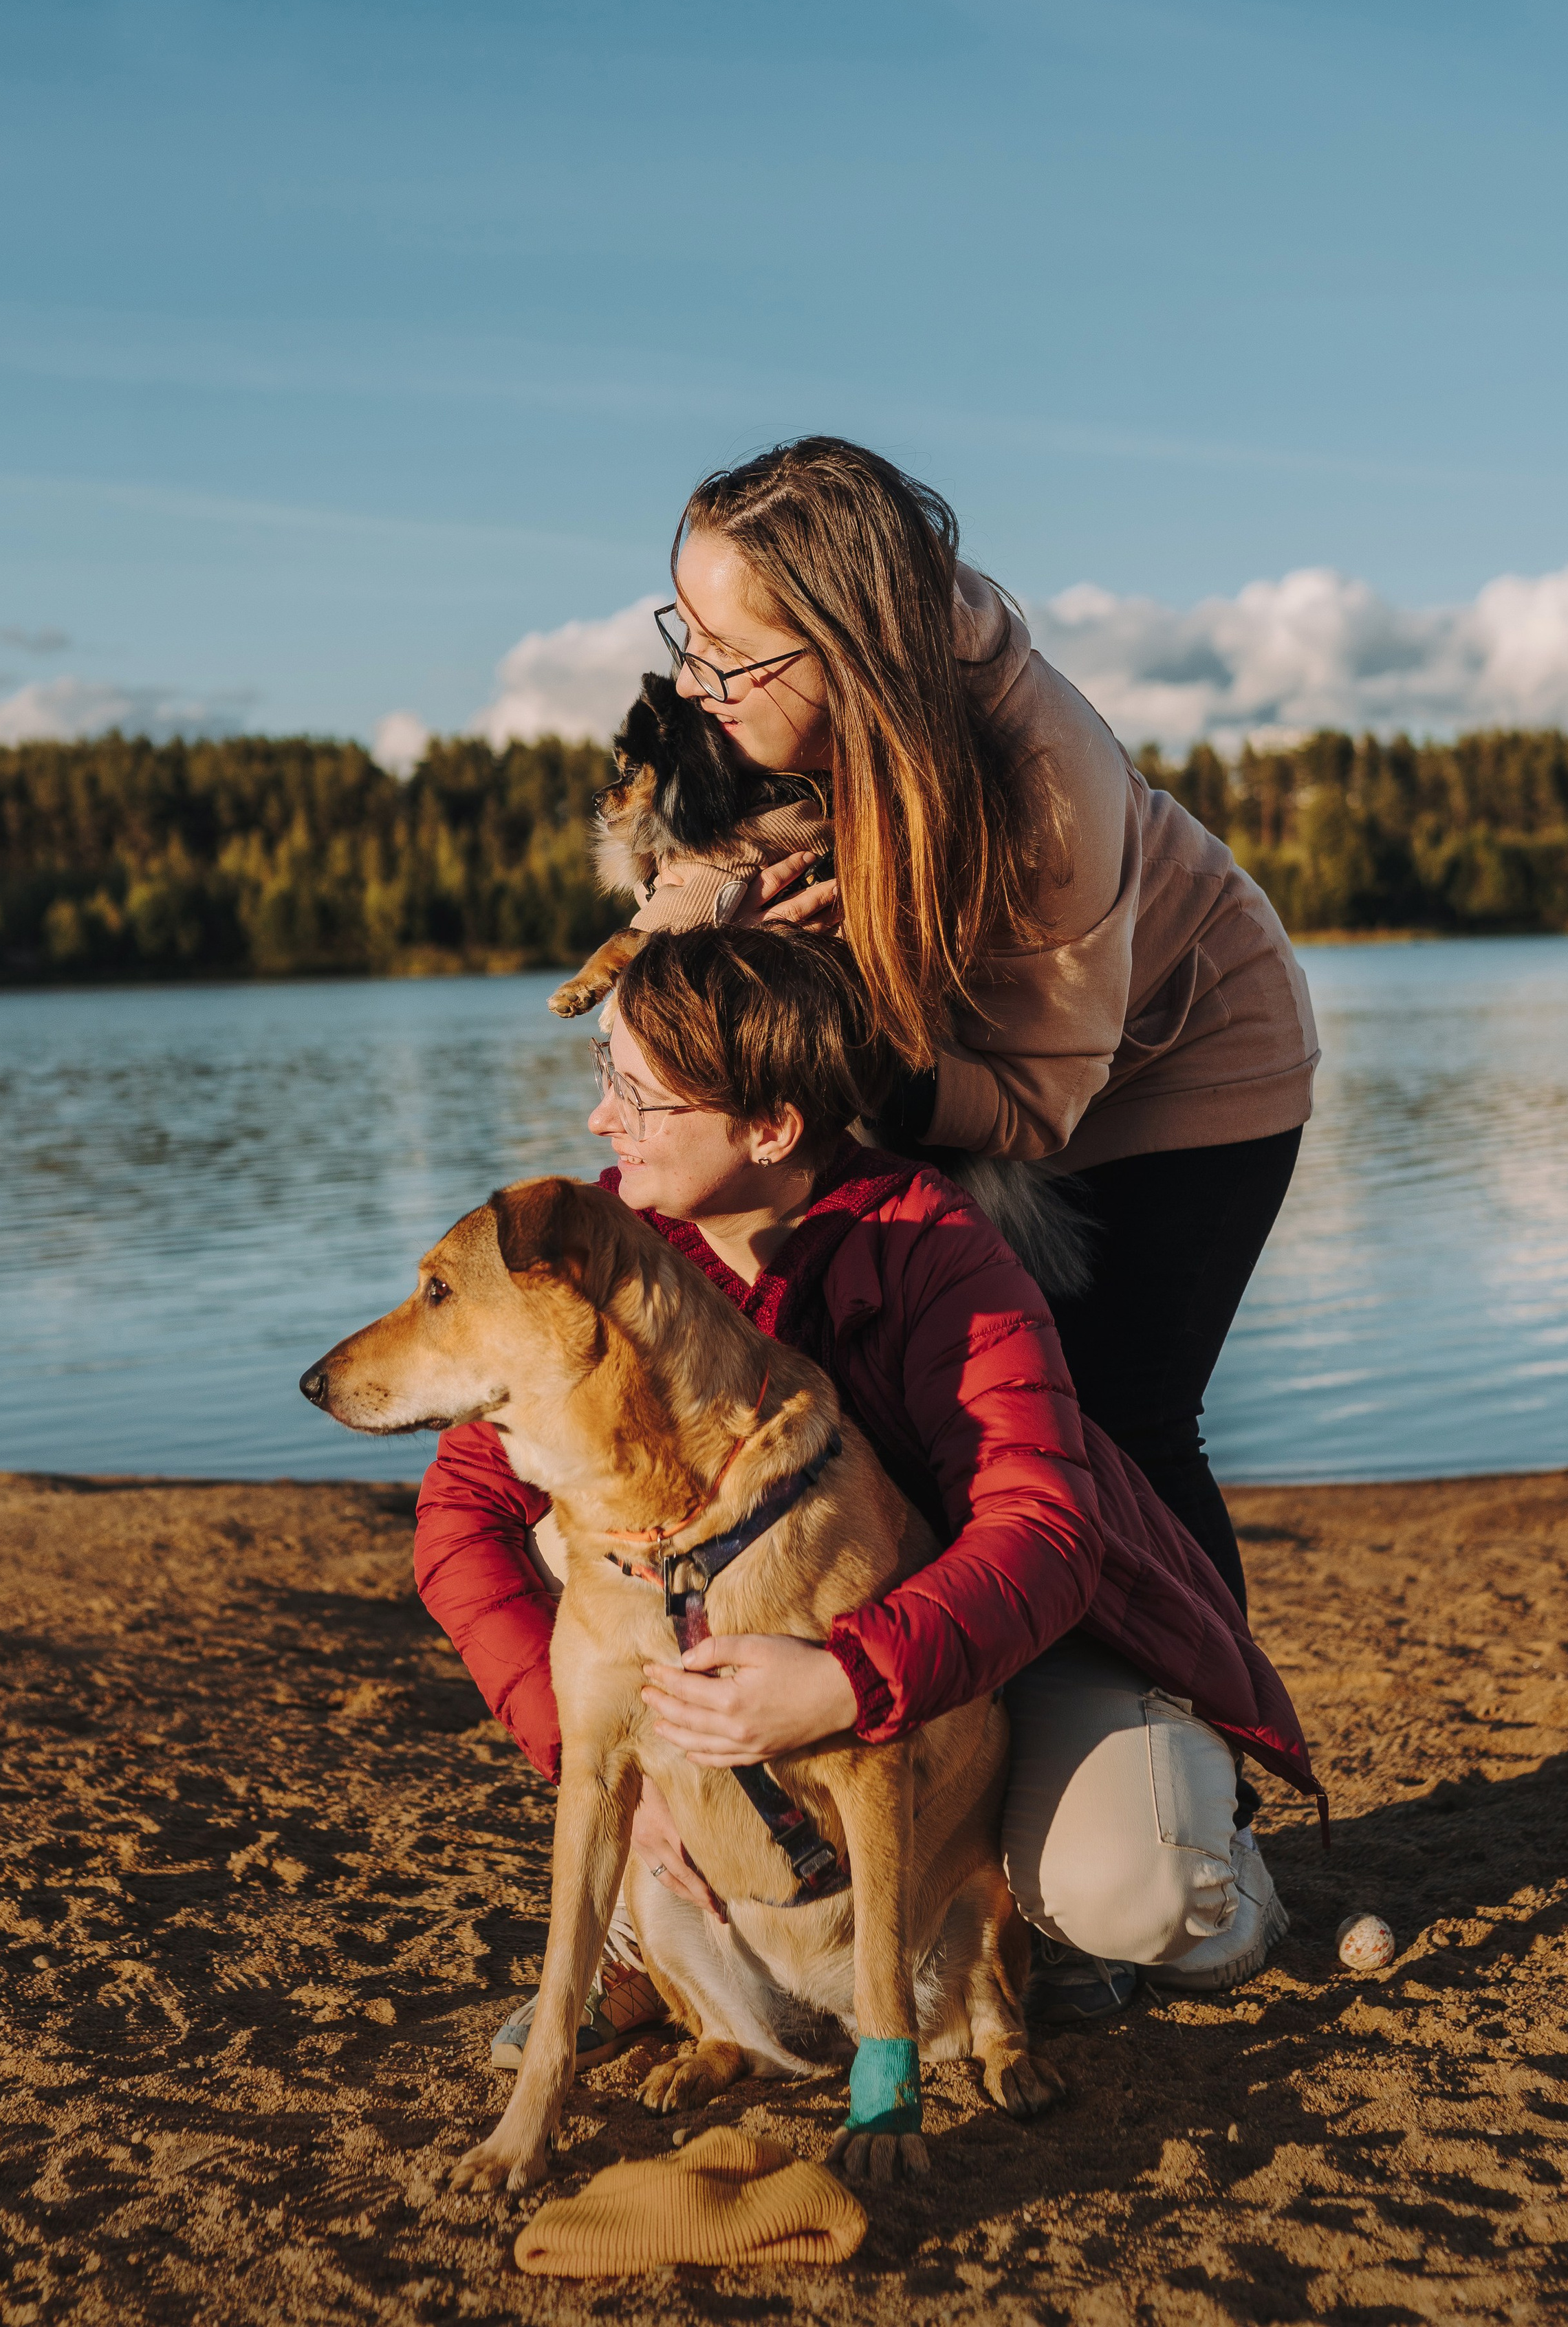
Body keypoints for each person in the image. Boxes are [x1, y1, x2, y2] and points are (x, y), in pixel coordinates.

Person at [414, 929, 1320, 2070]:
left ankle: (1207, 1883)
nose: (603, 1122)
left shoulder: (937, 1254)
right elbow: (459, 1523)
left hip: (1003, 1645)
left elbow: (1042, 1535)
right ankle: (653, 1928)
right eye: (606, 1076)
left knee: (1130, 1889)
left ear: (771, 1127)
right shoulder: (602, 1253)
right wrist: (605, 1765)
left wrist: (851, 1677)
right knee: (566, 1516)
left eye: (639, 1098)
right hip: (758, 1664)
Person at [647, 436, 1320, 1619]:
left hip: (1185, 1058)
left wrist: (840, 1039)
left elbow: (1034, 1100)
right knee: (927, 1402)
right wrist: (724, 924)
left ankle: (1211, 1758)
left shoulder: (1044, 776)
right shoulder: (750, 709)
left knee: (1123, 1417)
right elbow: (669, 919)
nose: (698, 683)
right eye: (685, 636)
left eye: (734, 656)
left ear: (854, 646)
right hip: (960, 1062)